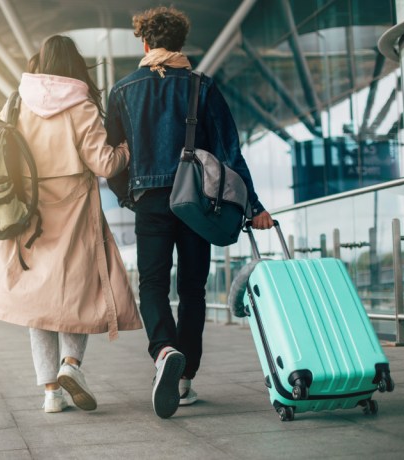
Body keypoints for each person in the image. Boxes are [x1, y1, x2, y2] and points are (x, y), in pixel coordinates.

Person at [105, 6, 274, 419]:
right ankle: (184, 381)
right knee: (193, 288)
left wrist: (131, 196)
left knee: (153, 284)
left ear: (145, 43)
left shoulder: (124, 90)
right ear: (181, 44)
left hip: (151, 201)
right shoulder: (204, 86)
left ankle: (164, 350)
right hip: (198, 202)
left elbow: (113, 159)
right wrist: (254, 207)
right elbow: (229, 153)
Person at [0, 35, 142, 414]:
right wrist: (127, 149)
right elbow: (105, 164)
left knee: (37, 304)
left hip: (27, 214)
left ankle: (50, 394)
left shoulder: (16, 103)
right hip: (75, 212)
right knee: (78, 293)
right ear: (75, 64)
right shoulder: (81, 106)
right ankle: (71, 366)